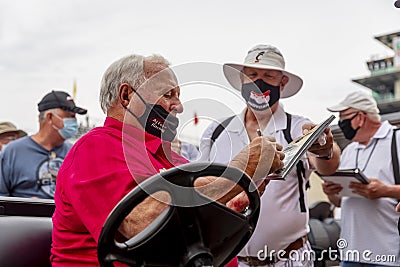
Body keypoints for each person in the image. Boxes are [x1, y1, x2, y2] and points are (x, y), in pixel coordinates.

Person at [50, 54, 285, 266]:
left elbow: (189, 222)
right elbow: (143, 224)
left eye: (178, 96)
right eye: (168, 94)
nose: (180, 107)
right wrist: (238, 172)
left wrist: (232, 203)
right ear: (126, 95)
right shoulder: (94, 148)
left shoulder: (175, 159)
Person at [199, 44, 340, 267]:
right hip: (230, 260)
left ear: (282, 83)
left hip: (289, 259)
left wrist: (326, 149)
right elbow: (202, 187)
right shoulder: (216, 131)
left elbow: (327, 165)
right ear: (242, 79)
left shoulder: (297, 126)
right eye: (252, 74)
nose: (258, 81)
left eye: (268, 76)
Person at [323, 91, 400, 266]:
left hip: (388, 255)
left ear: (360, 117)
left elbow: (385, 191)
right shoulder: (350, 150)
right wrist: (331, 192)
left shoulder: (396, 139)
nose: (340, 123)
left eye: (343, 117)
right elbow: (339, 202)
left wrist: (386, 191)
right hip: (350, 254)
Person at [0, 90, 87, 199]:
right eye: (70, 116)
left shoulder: (75, 153)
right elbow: (2, 200)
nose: (74, 122)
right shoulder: (13, 152)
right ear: (50, 117)